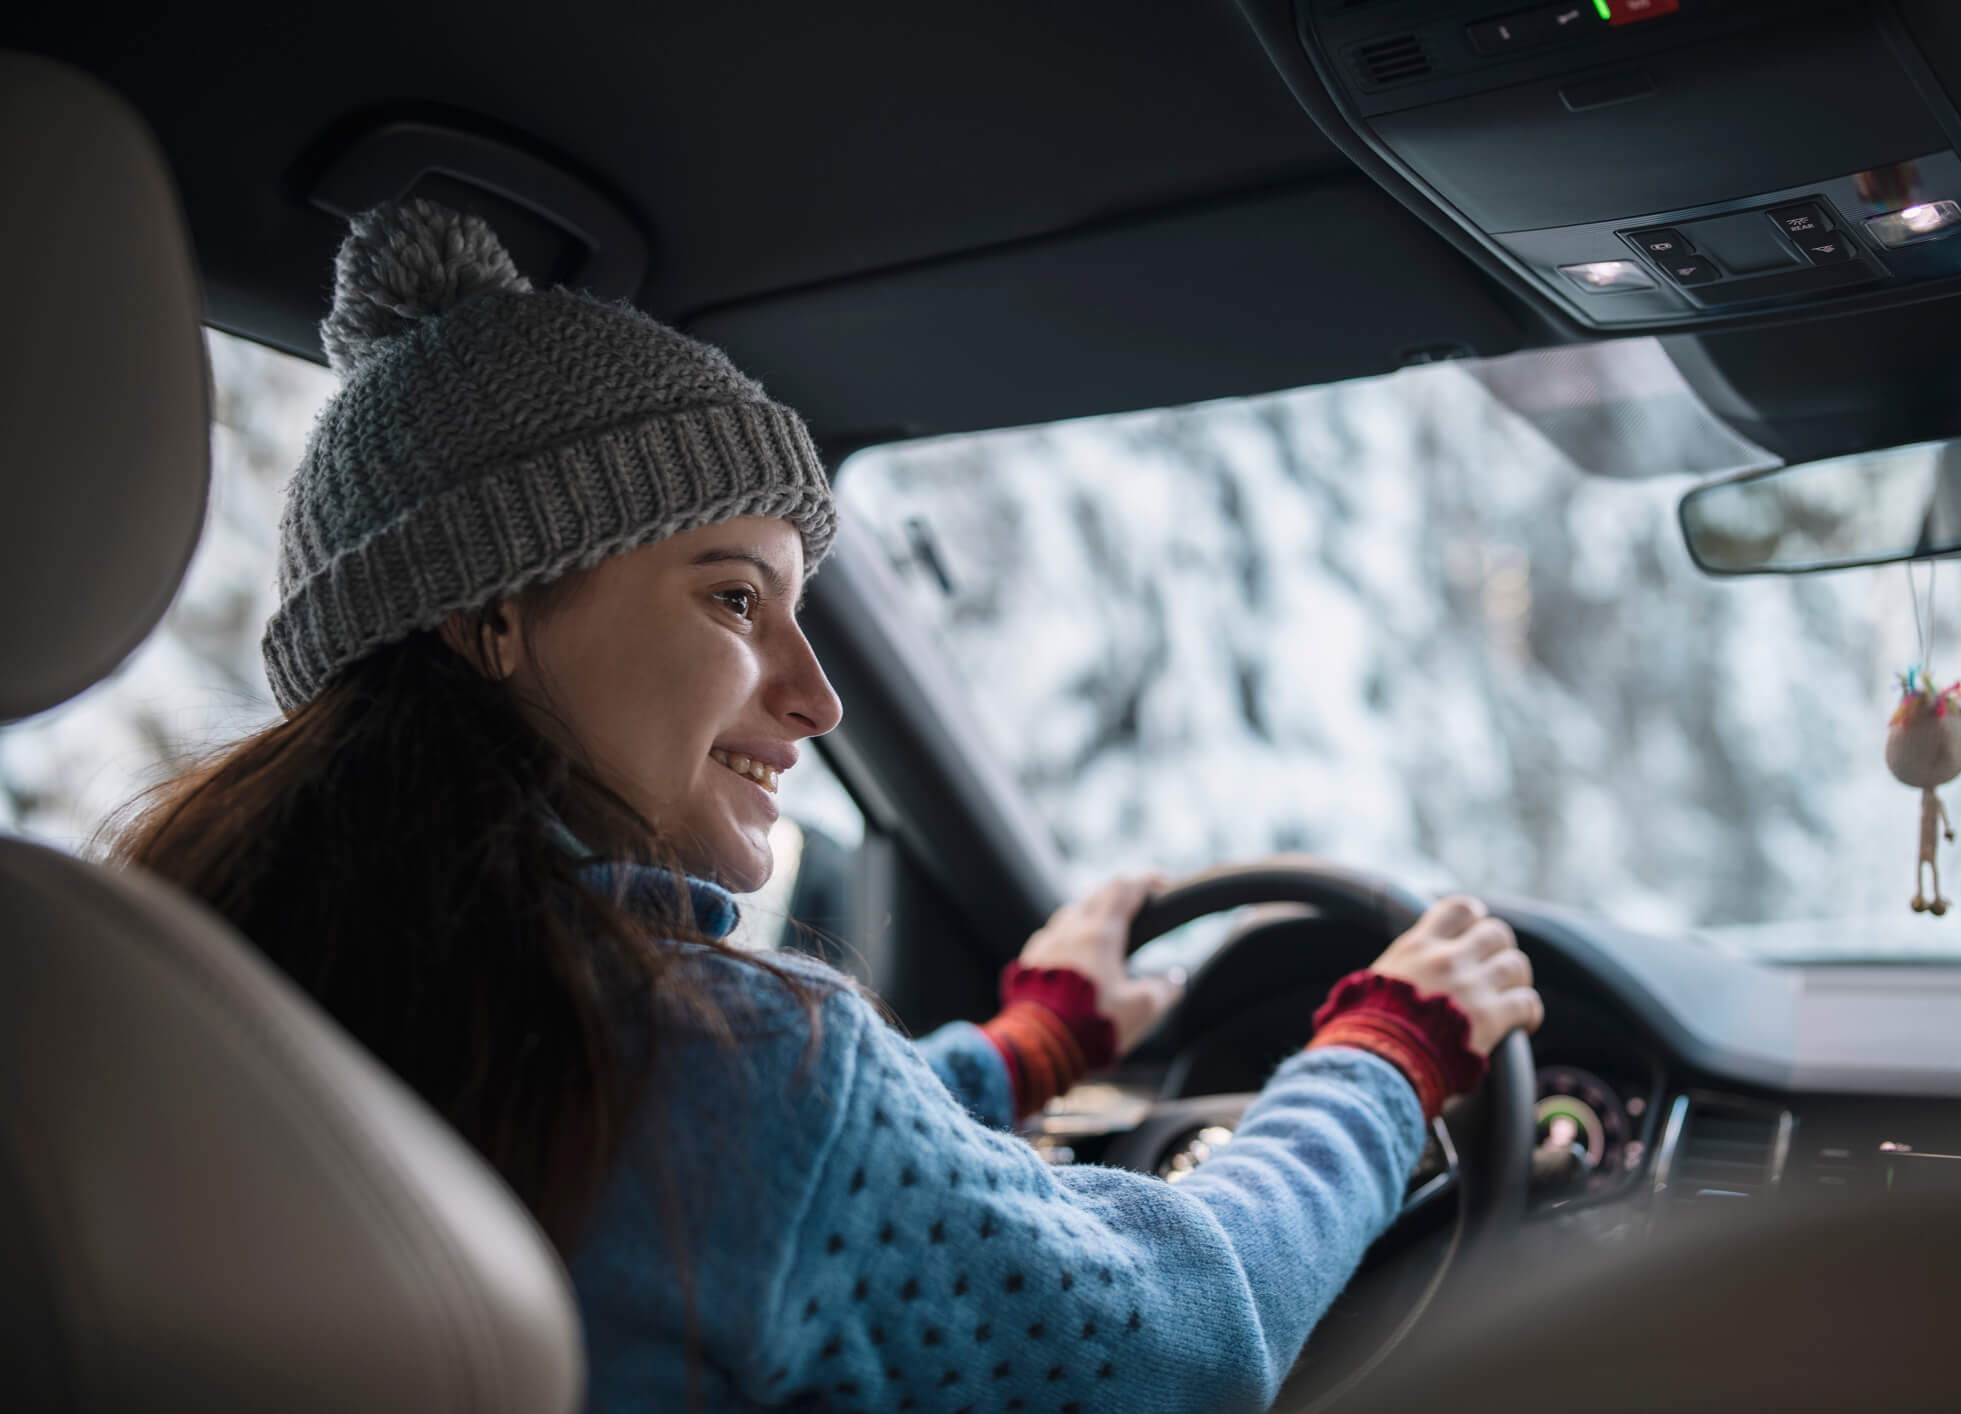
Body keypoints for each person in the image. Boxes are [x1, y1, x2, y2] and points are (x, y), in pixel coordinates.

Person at [116, 202, 1544, 1412]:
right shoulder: (719, 1060)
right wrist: (1386, 1057)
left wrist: (1024, 1047)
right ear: (489, 612)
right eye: (737, 598)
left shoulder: (185, 974)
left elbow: (713, 1152)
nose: (817, 695)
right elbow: (1188, 1327)